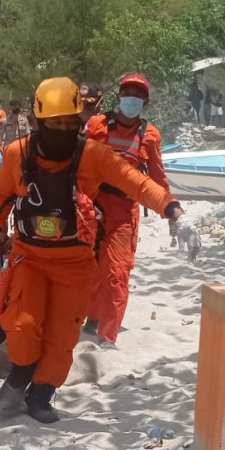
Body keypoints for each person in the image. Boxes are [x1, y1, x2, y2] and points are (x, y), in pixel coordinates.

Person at [0, 77, 199, 424]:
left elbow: (137, 182)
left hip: (74, 262)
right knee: (22, 324)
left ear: (79, 121)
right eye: (54, 123)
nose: (62, 129)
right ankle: (18, 377)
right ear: (37, 122)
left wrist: (174, 213)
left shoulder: (93, 155)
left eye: (69, 122)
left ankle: (42, 394)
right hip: (28, 257)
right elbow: (1, 198)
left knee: (63, 335)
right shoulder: (19, 154)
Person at [82, 73, 171, 349]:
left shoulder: (149, 136)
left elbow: (157, 177)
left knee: (117, 272)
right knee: (92, 268)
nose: (131, 98)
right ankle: (93, 318)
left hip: (124, 212)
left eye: (138, 95)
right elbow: (78, 160)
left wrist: (171, 212)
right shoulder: (97, 126)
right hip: (92, 206)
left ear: (145, 101)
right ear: (118, 97)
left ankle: (107, 337)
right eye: (127, 93)